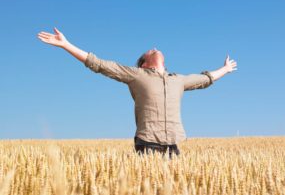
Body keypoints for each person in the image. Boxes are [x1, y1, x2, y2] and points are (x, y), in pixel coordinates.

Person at [37, 27, 238, 159]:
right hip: (147, 145)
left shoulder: (179, 80)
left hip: (173, 146)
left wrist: (226, 69)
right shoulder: (137, 75)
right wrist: (66, 44)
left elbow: (205, 79)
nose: (154, 48)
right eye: (150, 51)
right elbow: (98, 64)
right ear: (144, 63)